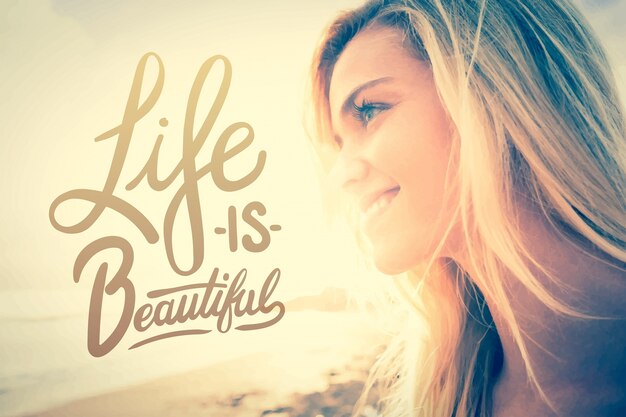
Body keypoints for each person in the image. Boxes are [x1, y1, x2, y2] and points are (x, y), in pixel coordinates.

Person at [306, 0, 626, 416]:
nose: (340, 176)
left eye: (369, 111)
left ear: (494, 91)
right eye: (338, 144)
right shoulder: (450, 396)